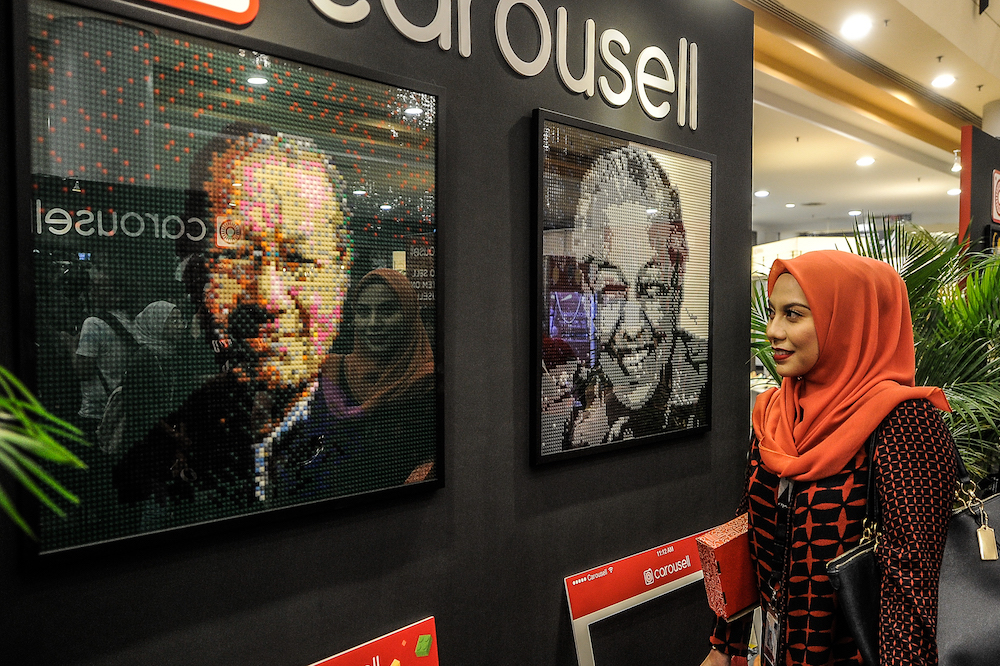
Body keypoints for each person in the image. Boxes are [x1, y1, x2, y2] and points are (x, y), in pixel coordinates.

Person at [702, 250, 957, 666]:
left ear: (850, 322)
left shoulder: (907, 426)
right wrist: (722, 643)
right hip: (774, 649)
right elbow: (748, 534)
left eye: (794, 315)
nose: (772, 331)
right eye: (773, 312)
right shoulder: (774, 412)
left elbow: (911, 591)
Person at [114, 127, 352, 514]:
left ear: (341, 275)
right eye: (237, 257)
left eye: (299, 260)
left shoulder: (374, 426)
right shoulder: (180, 425)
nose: (267, 297)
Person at [552, 145, 707, 450]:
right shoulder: (576, 400)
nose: (632, 326)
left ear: (676, 286)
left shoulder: (707, 383)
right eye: (611, 292)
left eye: (651, 289)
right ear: (587, 290)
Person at [272, 268, 436, 499]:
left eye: (387, 310)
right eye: (363, 311)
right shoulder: (330, 373)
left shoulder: (425, 383)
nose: (373, 323)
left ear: (409, 315)